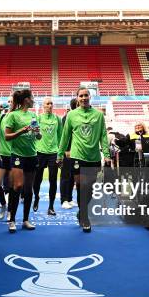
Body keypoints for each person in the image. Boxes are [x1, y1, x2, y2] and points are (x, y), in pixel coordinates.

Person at [58, 88, 111, 232]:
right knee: (82, 186)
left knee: (91, 189)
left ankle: (81, 211)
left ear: (90, 97)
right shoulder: (71, 115)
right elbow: (65, 136)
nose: (83, 98)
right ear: (77, 98)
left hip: (93, 157)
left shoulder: (99, 115)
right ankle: (85, 217)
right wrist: (60, 154)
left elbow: (103, 136)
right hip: (77, 156)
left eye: (86, 95)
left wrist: (106, 154)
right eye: (81, 96)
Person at [4, 89, 40, 232]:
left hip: (32, 154)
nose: (33, 100)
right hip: (17, 155)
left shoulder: (33, 115)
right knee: (18, 186)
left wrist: (38, 133)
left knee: (28, 189)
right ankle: (12, 220)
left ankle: (25, 220)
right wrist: (21, 131)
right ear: (26, 100)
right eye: (32, 97)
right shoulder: (12, 115)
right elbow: (7, 136)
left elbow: (38, 137)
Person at [32, 97, 63, 215]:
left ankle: (51, 207)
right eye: (47, 104)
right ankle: (36, 197)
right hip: (40, 152)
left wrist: (61, 153)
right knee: (37, 179)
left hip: (54, 153)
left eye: (51, 103)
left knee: (53, 180)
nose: (49, 105)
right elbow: (35, 134)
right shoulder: (38, 118)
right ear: (43, 105)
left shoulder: (57, 119)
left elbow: (61, 136)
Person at [0, 95, 12, 220]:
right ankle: (4, 205)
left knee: (10, 186)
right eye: (8, 102)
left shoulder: (16, 116)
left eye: (11, 102)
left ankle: (10, 211)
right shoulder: (2, 116)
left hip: (14, 155)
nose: (9, 104)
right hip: (0, 154)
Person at [59, 98, 78, 209]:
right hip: (69, 151)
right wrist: (66, 149)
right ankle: (64, 200)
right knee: (65, 175)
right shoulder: (67, 117)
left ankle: (69, 198)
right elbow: (65, 135)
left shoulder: (78, 116)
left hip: (77, 151)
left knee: (72, 176)